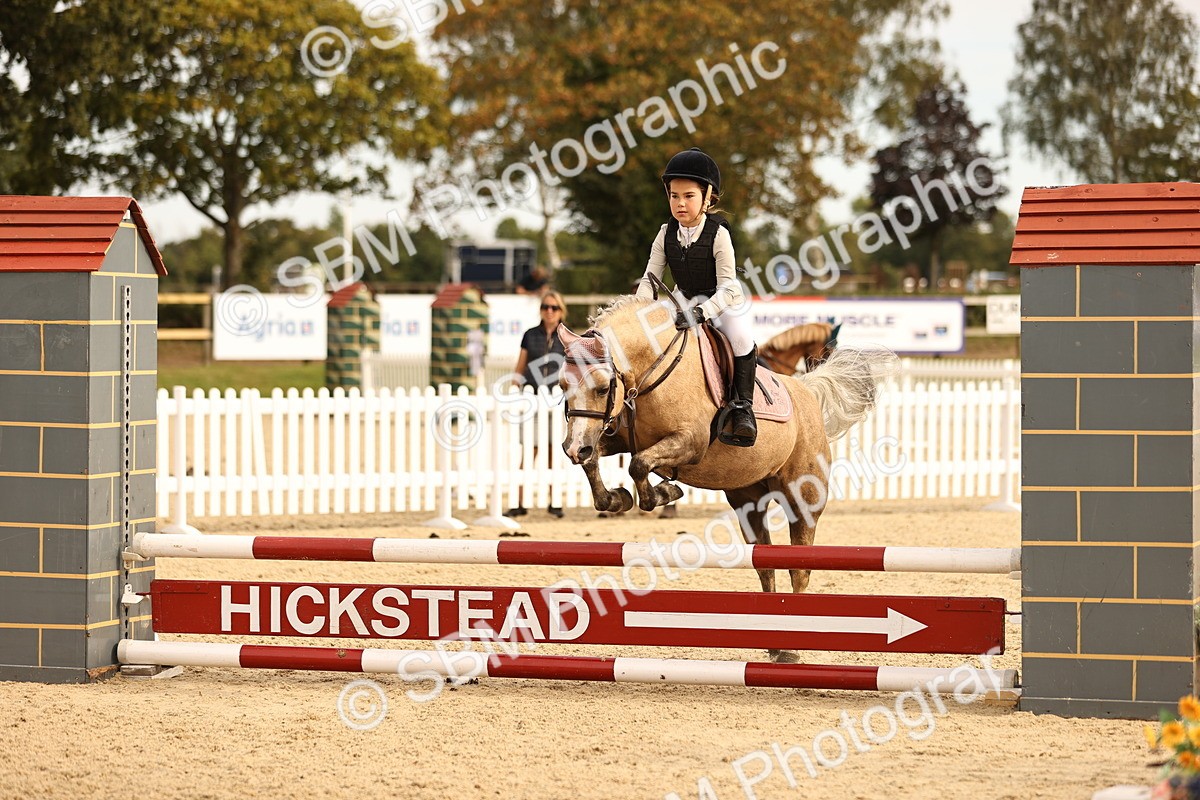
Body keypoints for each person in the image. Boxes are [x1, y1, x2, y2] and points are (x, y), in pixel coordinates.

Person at [634, 147, 758, 446]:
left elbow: (727, 287)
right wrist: (637, 309)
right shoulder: (665, 233)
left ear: (707, 197)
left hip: (723, 301)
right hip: (684, 299)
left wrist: (702, 313)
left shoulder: (719, 234)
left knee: (741, 339)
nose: (680, 203)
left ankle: (743, 409)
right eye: (674, 195)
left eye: (688, 196)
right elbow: (650, 279)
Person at [506, 290, 568, 518]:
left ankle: (555, 502)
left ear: (561, 311)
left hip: (556, 401)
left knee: (553, 453)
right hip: (530, 399)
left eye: (554, 307)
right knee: (529, 451)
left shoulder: (568, 337)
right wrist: (514, 391)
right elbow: (520, 366)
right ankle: (519, 502)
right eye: (545, 307)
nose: (549, 311)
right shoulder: (530, 335)